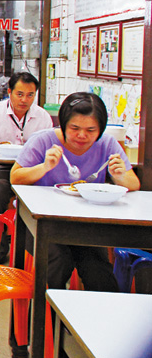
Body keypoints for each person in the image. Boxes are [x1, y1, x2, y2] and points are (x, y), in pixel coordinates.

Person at [10, 92, 139, 292]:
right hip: (39, 221)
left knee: (98, 270)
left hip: (86, 223)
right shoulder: (43, 141)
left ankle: (95, 312)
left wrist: (120, 175)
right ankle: (46, 311)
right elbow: (15, 177)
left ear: (101, 129)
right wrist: (44, 167)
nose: (82, 135)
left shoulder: (107, 144)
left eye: (91, 130)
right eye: (74, 128)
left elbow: (133, 183)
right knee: (58, 261)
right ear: (63, 125)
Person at [0, 71, 52, 261]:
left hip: (31, 171)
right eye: (19, 94)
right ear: (9, 92)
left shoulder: (43, 117)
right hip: (0, 169)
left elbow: (48, 148)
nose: (24, 100)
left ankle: (31, 248)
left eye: (30, 95)